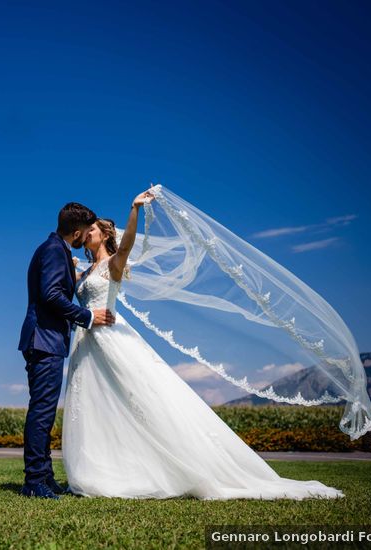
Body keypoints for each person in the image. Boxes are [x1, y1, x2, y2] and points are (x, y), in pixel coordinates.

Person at [60, 189, 345, 500]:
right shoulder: (83, 270)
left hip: (112, 337)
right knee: (98, 403)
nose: (86, 234)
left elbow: (127, 243)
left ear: (103, 236)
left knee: (139, 398)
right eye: (85, 231)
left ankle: (171, 466)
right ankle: (104, 468)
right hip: (86, 341)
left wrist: (135, 209)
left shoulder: (114, 263)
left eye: (92, 230)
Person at [17, 202, 116, 499]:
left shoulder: (55, 250)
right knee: (42, 412)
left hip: (45, 340)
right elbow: (49, 295)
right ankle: (34, 480)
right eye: (85, 232)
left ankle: (45, 476)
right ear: (76, 231)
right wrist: (86, 317)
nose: (86, 238)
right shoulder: (53, 251)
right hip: (43, 340)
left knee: (44, 411)